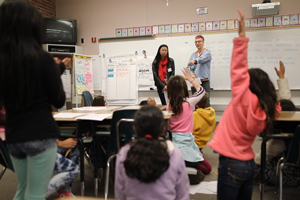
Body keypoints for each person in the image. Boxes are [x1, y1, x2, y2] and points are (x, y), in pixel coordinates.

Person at [208, 10, 281, 200]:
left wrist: (241, 38)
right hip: (249, 164)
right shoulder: (266, 107)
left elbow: (238, 68)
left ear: (249, 84)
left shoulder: (243, 97)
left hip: (231, 164)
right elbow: (277, 105)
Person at [0, 1, 70, 199]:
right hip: (40, 134)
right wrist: (57, 73)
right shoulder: (43, 59)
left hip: (14, 137)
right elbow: (58, 100)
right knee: (35, 193)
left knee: (23, 190)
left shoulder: (3, 62)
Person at [115, 106, 189, 200]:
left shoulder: (124, 153)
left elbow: (120, 193)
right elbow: (182, 193)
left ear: (135, 128)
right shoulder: (175, 153)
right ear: (163, 128)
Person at [253, 61, 300, 187]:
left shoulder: (278, 141)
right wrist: (282, 78)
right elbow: (287, 104)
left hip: (291, 176)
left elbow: (260, 159)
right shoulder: (295, 122)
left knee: (253, 169)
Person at [167, 68, 212, 175]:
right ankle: (187, 163)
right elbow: (201, 91)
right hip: (186, 143)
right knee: (207, 169)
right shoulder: (189, 102)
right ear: (184, 89)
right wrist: (191, 80)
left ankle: (180, 163)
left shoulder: (169, 105)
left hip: (174, 143)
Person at [187, 34, 212, 107]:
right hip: (195, 81)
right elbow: (189, 66)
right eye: (196, 42)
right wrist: (191, 74)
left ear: (203, 42)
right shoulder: (193, 54)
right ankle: (197, 118)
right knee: (195, 102)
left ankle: (206, 118)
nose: (197, 43)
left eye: (199, 41)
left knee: (206, 102)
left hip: (204, 81)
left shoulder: (207, 52)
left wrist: (194, 61)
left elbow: (201, 59)